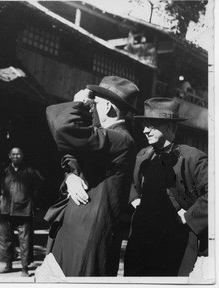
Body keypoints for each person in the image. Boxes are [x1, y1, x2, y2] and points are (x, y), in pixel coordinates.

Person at [35, 76, 140, 279]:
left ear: (108, 108)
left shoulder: (122, 140)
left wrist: (77, 104)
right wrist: (71, 175)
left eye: (94, 104)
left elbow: (65, 130)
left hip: (88, 236)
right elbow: (70, 151)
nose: (90, 108)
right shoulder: (104, 135)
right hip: (74, 229)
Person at [124, 97, 208, 277]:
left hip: (175, 241)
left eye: (152, 125)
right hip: (142, 241)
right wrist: (134, 198)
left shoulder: (192, 158)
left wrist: (188, 216)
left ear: (170, 127)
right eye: (145, 124)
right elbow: (128, 180)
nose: (145, 130)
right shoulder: (143, 155)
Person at [0, 147, 44, 276]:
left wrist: (29, 198)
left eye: (18, 154)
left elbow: (39, 184)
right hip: (6, 210)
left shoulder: (29, 171)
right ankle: (8, 265)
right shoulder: (4, 171)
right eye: (13, 154)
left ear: (22, 156)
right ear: (9, 156)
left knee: (25, 240)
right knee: (5, 238)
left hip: (24, 210)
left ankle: (25, 269)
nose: (16, 156)